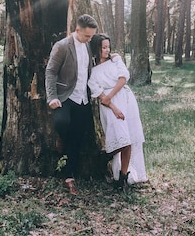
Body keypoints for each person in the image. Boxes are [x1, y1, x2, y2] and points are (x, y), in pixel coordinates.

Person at [45, 14, 98, 195]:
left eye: (91, 36)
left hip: (83, 98)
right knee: (61, 123)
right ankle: (60, 137)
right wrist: (52, 97)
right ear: (77, 31)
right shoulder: (62, 46)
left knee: (77, 138)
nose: (89, 39)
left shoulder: (88, 44)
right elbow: (51, 71)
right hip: (65, 96)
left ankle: (69, 177)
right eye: (87, 36)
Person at [88, 34, 147, 191]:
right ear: (96, 49)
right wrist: (113, 107)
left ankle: (122, 177)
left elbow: (123, 79)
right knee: (121, 138)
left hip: (125, 98)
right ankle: (106, 156)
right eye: (103, 48)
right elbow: (99, 94)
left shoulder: (115, 60)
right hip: (109, 106)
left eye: (108, 47)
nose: (107, 50)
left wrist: (110, 96)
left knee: (129, 138)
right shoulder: (92, 71)